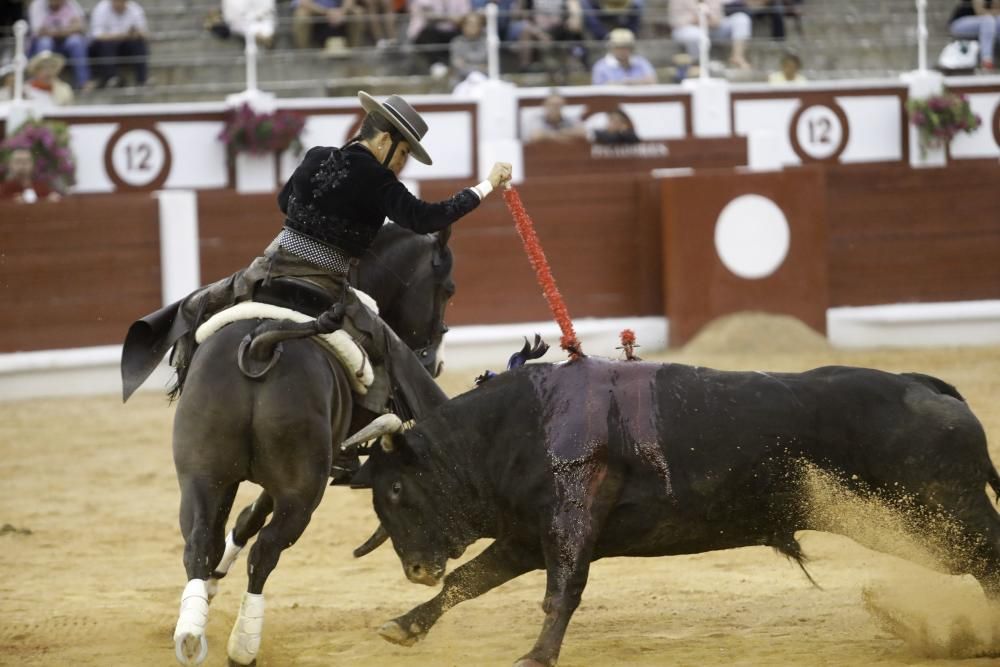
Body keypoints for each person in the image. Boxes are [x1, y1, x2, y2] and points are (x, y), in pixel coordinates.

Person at [169, 92, 512, 424]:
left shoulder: (316, 156)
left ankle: (185, 373)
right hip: (327, 285)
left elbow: (284, 202)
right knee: (390, 354)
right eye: (403, 153)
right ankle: (376, 434)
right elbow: (426, 219)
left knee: (202, 305)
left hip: (268, 270)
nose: (401, 164)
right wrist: (486, 186)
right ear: (383, 141)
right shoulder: (379, 180)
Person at [26, 0, 93, 90]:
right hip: (41, 44)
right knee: (45, 42)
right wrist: (67, 29)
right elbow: (39, 31)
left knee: (76, 42)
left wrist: (55, 31)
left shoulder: (71, 3)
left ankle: (83, 82)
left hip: (65, 42)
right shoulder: (37, 4)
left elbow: (80, 26)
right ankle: (41, 81)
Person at [670, 0, 751, 69]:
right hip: (686, 29)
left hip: (712, 28)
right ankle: (698, 64)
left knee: (741, 19)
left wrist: (711, 20)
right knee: (697, 35)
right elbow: (675, 21)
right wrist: (696, 19)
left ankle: (737, 56)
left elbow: (718, 18)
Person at [88, 0, 149, 87]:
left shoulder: (135, 9)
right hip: (104, 47)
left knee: (139, 43)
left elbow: (145, 34)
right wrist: (120, 36)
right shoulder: (101, 8)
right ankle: (112, 77)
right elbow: (97, 36)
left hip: (125, 46)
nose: (119, 4)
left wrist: (137, 33)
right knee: (106, 44)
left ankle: (142, 79)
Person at [406, 0, 471, 69]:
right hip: (431, 32)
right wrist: (449, 18)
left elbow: (465, 16)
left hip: (453, 31)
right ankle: (437, 64)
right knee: (428, 34)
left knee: (464, 34)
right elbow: (427, 14)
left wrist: (442, 17)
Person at [590, 27, 656, 85]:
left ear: (632, 48)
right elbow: (599, 89)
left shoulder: (641, 62)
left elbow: (652, 81)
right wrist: (625, 83)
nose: (622, 51)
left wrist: (630, 83)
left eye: (626, 47)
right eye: (618, 47)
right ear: (611, 48)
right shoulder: (600, 66)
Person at [291, 0, 364, 49]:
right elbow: (303, 2)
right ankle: (304, 51)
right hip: (315, 11)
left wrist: (342, 11)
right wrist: (327, 12)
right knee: (301, 15)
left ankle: (353, 49)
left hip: (338, 11)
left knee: (357, 12)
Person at [950, 0, 1000, 71]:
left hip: (983, 24)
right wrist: (994, 12)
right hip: (959, 24)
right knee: (988, 20)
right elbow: (980, 12)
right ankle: (986, 60)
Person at [522, 91, 587, 142]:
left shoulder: (569, 119)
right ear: (545, 105)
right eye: (552, 105)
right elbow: (535, 136)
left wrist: (549, 135)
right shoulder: (537, 119)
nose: (555, 108)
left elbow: (582, 132)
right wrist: (561, 134)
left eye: (558, 105)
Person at [450, 11, 488, 83]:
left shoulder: (488, 42)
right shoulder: (457, 42)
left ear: (481, 26)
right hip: (461, 80)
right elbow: (457, 66)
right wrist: (479, 67)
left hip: (484, 81)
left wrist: (466, 65)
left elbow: (489, 68)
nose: (472, 27)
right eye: (469, 23)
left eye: (476, 24)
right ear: (463, 26)